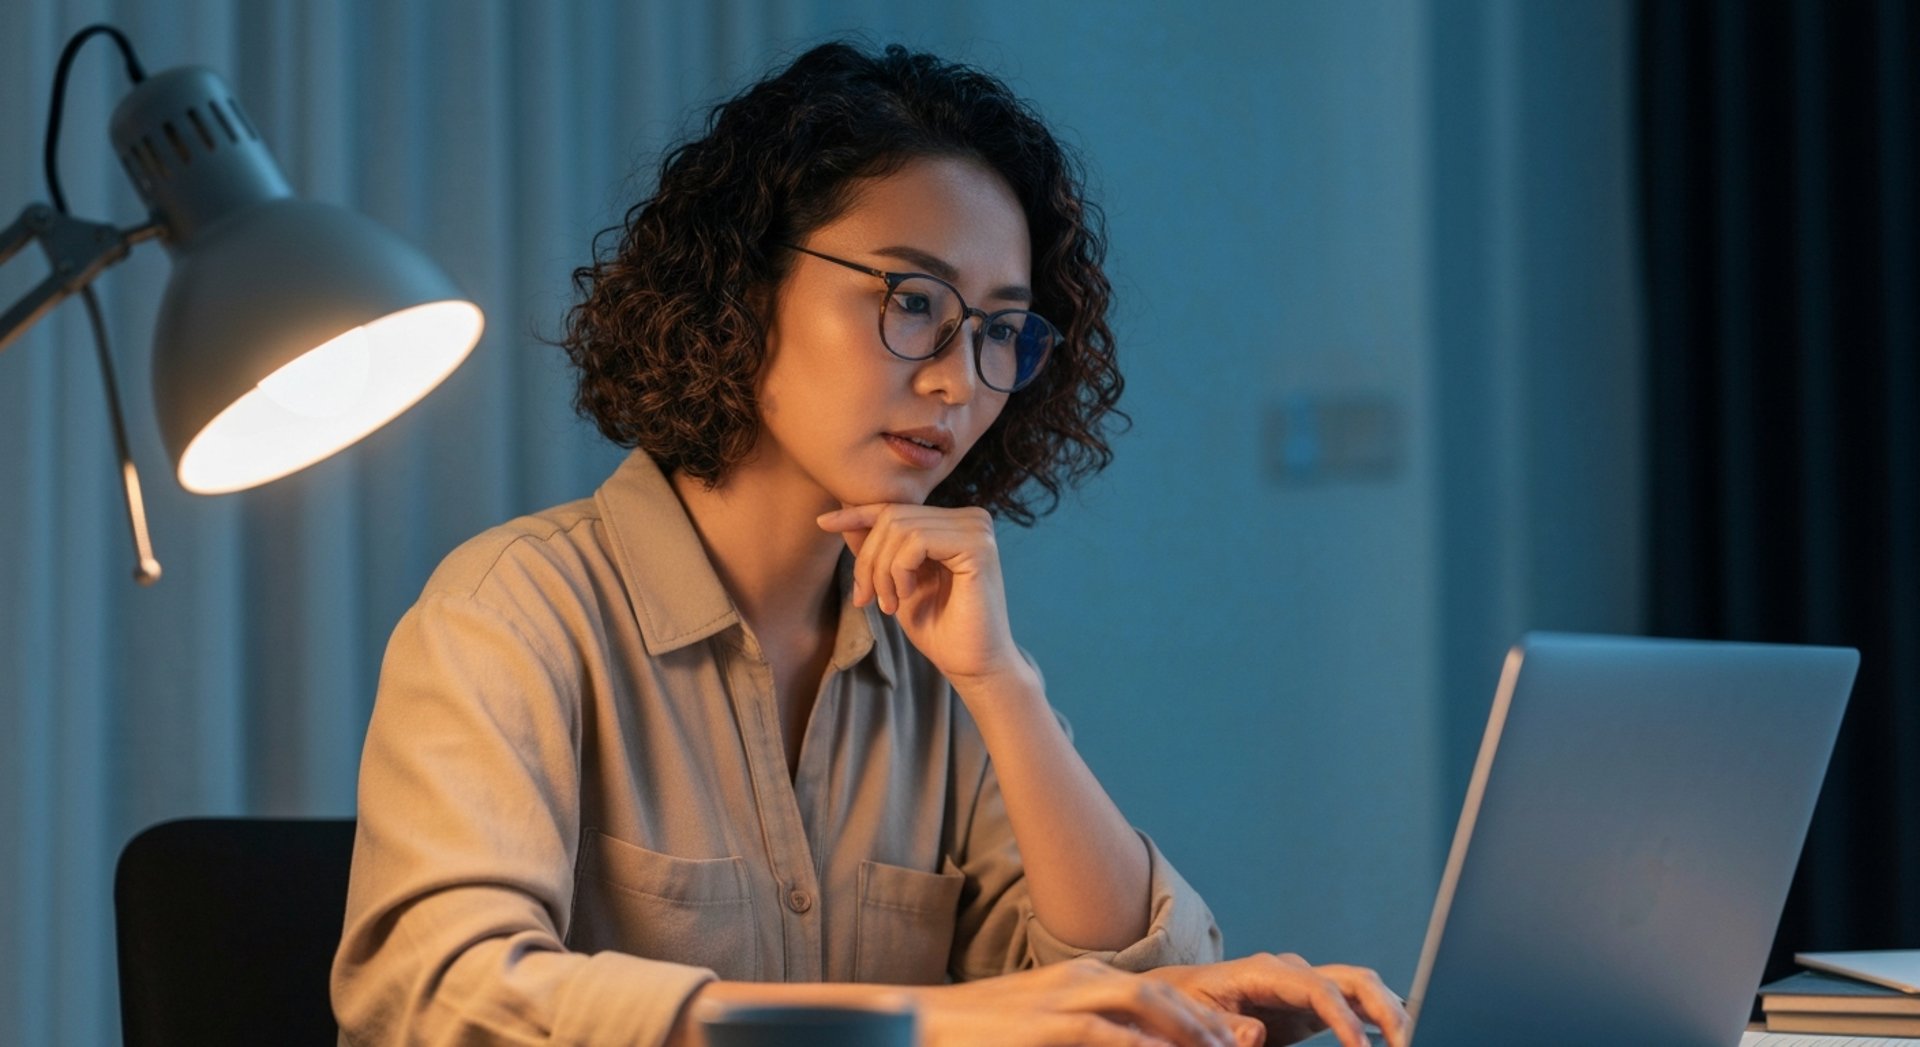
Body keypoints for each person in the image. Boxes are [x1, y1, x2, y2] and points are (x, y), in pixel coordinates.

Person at [331, 40, 1409, 1047]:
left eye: (997, 330)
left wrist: (1003, 686)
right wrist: (920, 1023)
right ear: (745, 290)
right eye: (911, 300)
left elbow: (1138, 972)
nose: (954, 380)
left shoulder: (935, 654)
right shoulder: (512, 614)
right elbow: (432, 999)